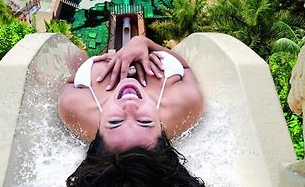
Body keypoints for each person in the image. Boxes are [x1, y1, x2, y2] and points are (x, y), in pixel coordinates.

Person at [59, 35, 204, 186]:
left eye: (115, 121)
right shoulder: (185, 105)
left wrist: (98, 60)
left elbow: (69, 82)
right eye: (144, 121)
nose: (129, 105)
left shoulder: (76, 108)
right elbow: (186, 68)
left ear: (98, 127)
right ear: (161, 129)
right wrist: (144, 43)